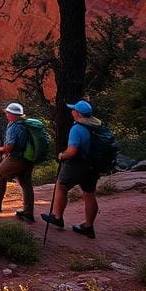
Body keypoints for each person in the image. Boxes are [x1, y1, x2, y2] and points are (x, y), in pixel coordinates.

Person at [41, 100, 101, 239]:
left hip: (79, 164)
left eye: (73, 110)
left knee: (61, 186)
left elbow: (72, 151)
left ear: (78, 113)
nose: (71, 111)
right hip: (93, 165)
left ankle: (57, 217)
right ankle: (88, 226)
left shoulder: (77, 128)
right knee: (89, 193)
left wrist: (63, 155)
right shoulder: (96, 125)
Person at [0, 102, 35, 221]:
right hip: (28, 158)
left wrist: (1, 149)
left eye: (7, 112)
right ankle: (28, 212)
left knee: (0, 174)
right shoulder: (25, 123)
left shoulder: (14, 126)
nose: (6, 114)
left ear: (12, 114)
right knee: (26, 183)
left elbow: (10, 146)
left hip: (17, 158)